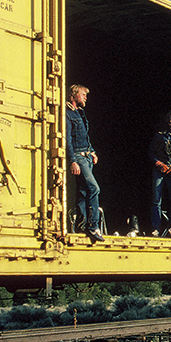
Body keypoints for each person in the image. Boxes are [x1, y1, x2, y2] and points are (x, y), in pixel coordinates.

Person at [65, 84, 105, 242]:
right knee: (93, 188)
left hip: (87, 155)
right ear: (73, 95)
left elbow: (84, 137)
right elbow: (67, 140)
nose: (86, 97)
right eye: (83, 94)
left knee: (83, 191)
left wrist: (92, 151)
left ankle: (82, 225)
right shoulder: (67, 113)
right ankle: (93, 226)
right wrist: (73, 161)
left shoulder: (80, 113)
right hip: (78, 156)